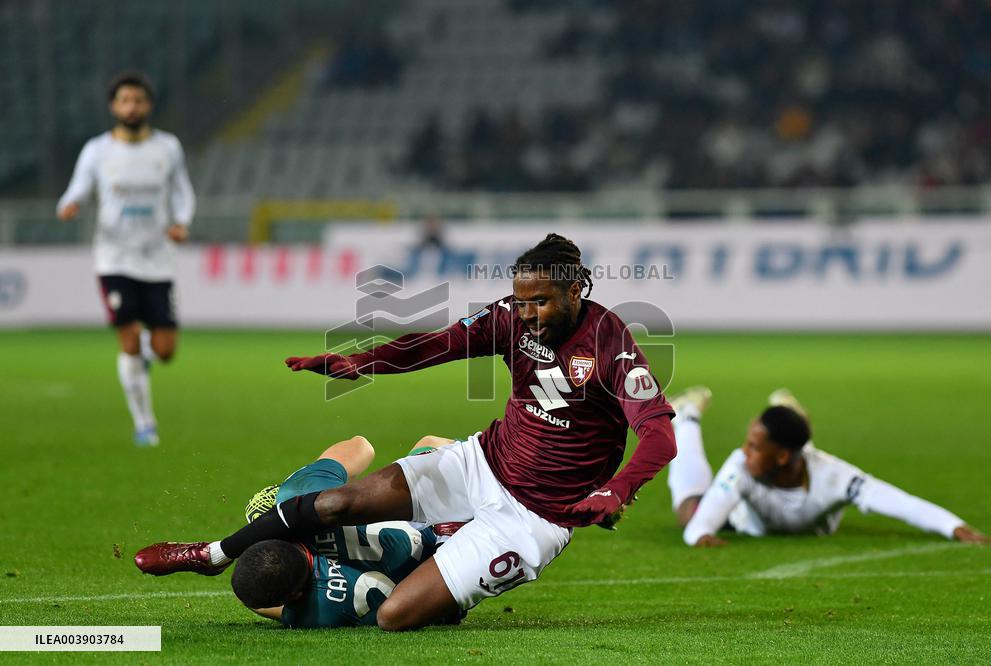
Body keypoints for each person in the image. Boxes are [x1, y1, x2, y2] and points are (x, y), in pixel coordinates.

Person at [135, 233, 678, 631]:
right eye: (521, 300)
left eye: (541, 301)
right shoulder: (509, 317)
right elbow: (438, 344)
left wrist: (617, 489)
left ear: (575, 291)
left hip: (534, 519)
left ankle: (446, 569)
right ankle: (212, 555)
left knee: (394, 617)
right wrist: (361, 362)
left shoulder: (611, 343)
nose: (528, 313)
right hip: (482, 462)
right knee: (337, 503)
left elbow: (658, 433)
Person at [137, 435, 459, 628]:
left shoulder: (317, 611)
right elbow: (362, 446)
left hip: (449, 578)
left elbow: (258, 602)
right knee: (429, 444)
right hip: (443, 515)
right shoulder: (300, 496)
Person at [56, 71, 195, 447]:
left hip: (157, 258)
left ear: (149, 105)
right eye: (125, 101)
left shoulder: (167, 147)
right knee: (128, 338)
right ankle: (145, 424)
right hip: (113, 257)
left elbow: (182, 191)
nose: (132, 107)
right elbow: (79, 187)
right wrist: (70, 204)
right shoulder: (97, 150)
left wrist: (181, 221)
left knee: (165, 350)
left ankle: (144, 355)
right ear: (113, 107)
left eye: (138, 100)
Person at [667, 386, 991, 546]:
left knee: (801, 449)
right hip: (746, 522)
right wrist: (701, 535)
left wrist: (954, 526)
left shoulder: (834, 477)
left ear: (780, 456)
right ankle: (687, 416)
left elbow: (897, 501)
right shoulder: (741, 465)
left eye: (754, 446)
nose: (743, 451)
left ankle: (792, 416)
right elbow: (700, 526)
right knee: (689, 513)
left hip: (801, 468)